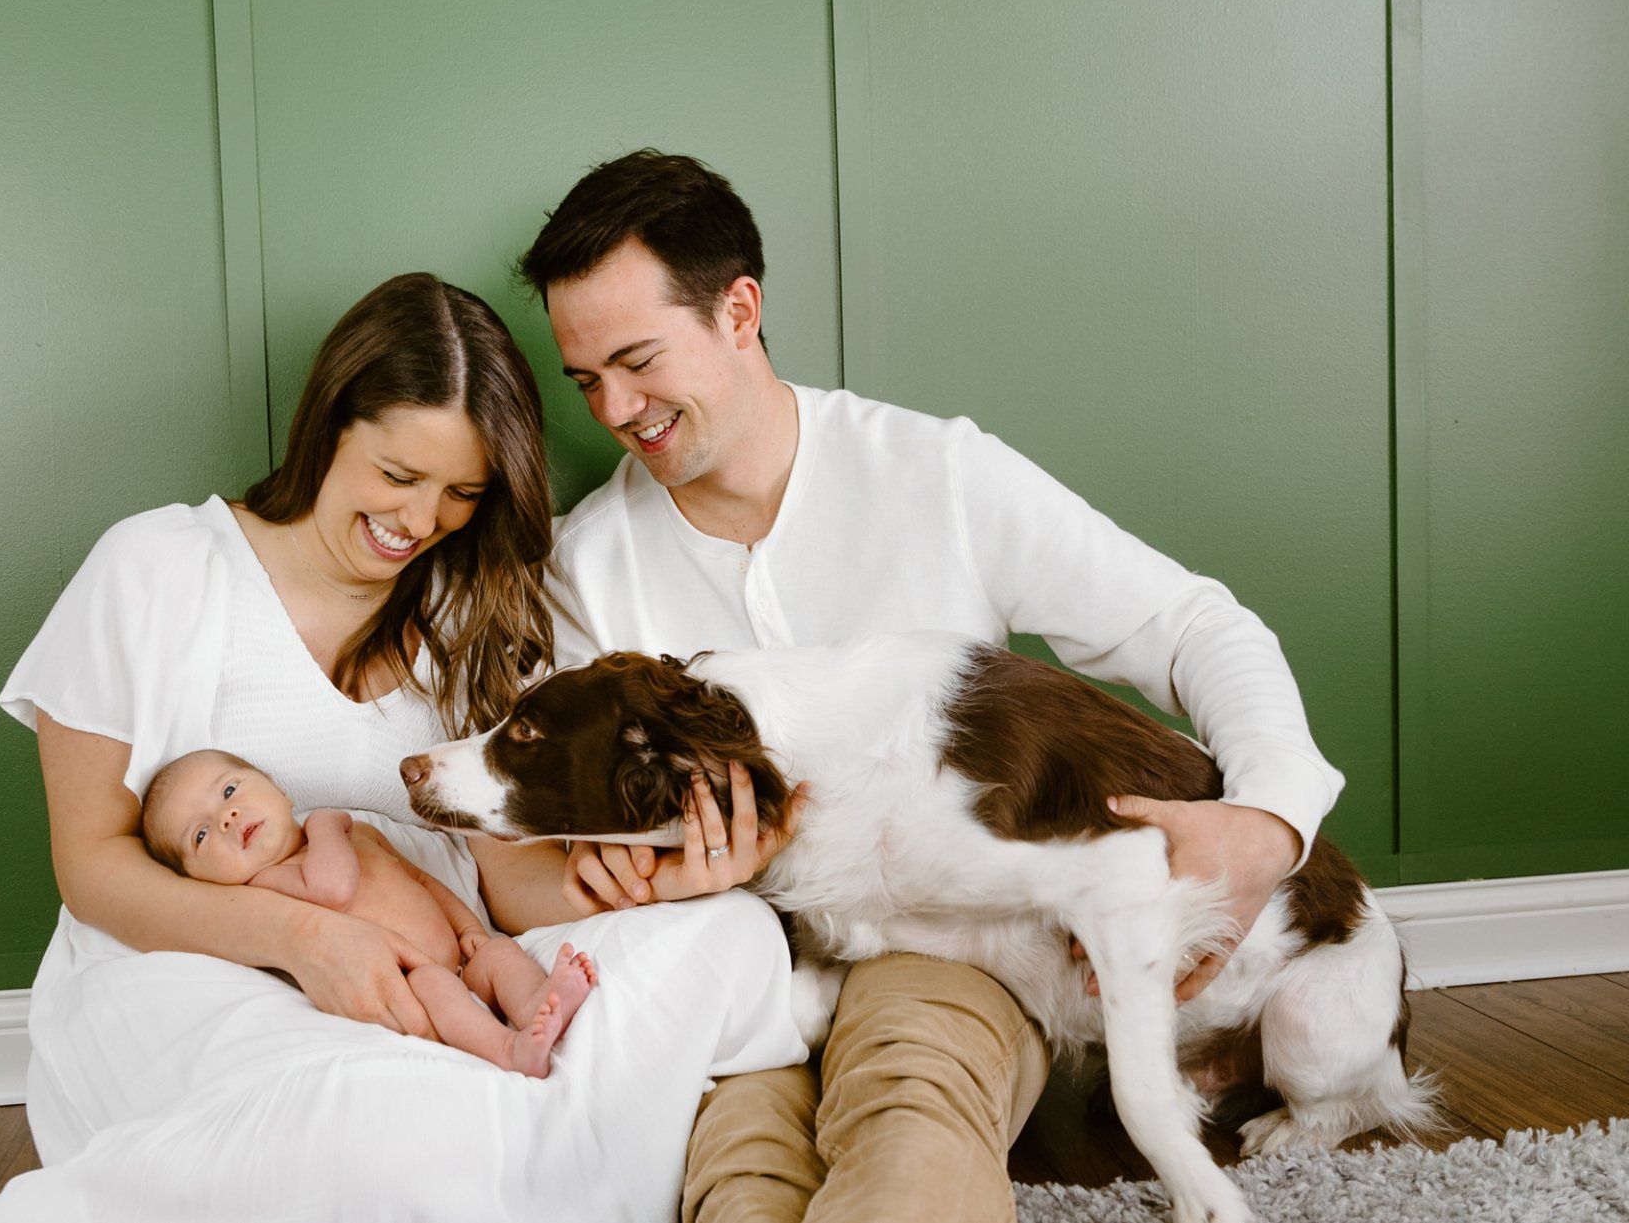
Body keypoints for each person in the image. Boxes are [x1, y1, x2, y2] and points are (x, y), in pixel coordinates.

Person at [0, 272, 805, 1223]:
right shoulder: (157, 570)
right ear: (329, 423)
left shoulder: (471, 609)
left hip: (453, 957)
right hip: (208, 967)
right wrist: (311, 939)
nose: (420, 520)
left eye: (461, 493)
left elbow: (505, 882)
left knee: (729, 938)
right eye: (398, 475)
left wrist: (652, 885)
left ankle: (509, 1163)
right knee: (377, 1120)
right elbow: (94, 867)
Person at [523, 151, 1344, 1223]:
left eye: (636, 361)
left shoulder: (936, 474)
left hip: (963, 950)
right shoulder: (588, 569)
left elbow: (1195, 626)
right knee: (738, 1169)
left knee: (913, 1118)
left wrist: (1269, 822)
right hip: (747, 967)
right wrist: (667, 879)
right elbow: (565, 851)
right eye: (586, 380)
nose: (614, 409)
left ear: (738, 311)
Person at [140, 748, 598, 1078]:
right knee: (435, 983)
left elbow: (420, 882)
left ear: (279, 790)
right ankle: (509, 1049)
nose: (226, 817)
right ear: (200, 881)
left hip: (459, 963)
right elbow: (333, 888)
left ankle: (537, 1003)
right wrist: (324, 827)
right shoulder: (267, 884)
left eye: (230, 789)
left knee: (499, 955)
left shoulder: (361, 833)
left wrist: (468, 927)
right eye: (200, 835)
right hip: (407, 985)